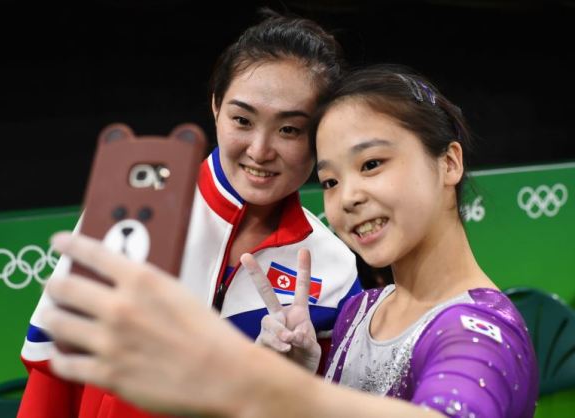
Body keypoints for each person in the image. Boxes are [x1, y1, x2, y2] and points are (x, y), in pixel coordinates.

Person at [39, 65, 538, 417]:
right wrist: (300, 375)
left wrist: (261, 389)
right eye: (330, 181)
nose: (349, 198)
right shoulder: (360, 311)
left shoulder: (478, 332)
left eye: (371, 164)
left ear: (449, 163)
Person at [17, 11, 362, 418]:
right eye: (242, 120)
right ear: (216, 106)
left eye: (290, 129)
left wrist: (292, 386)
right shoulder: (132, 210)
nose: (260, 149)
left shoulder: (334, 269)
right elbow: (53, 374)